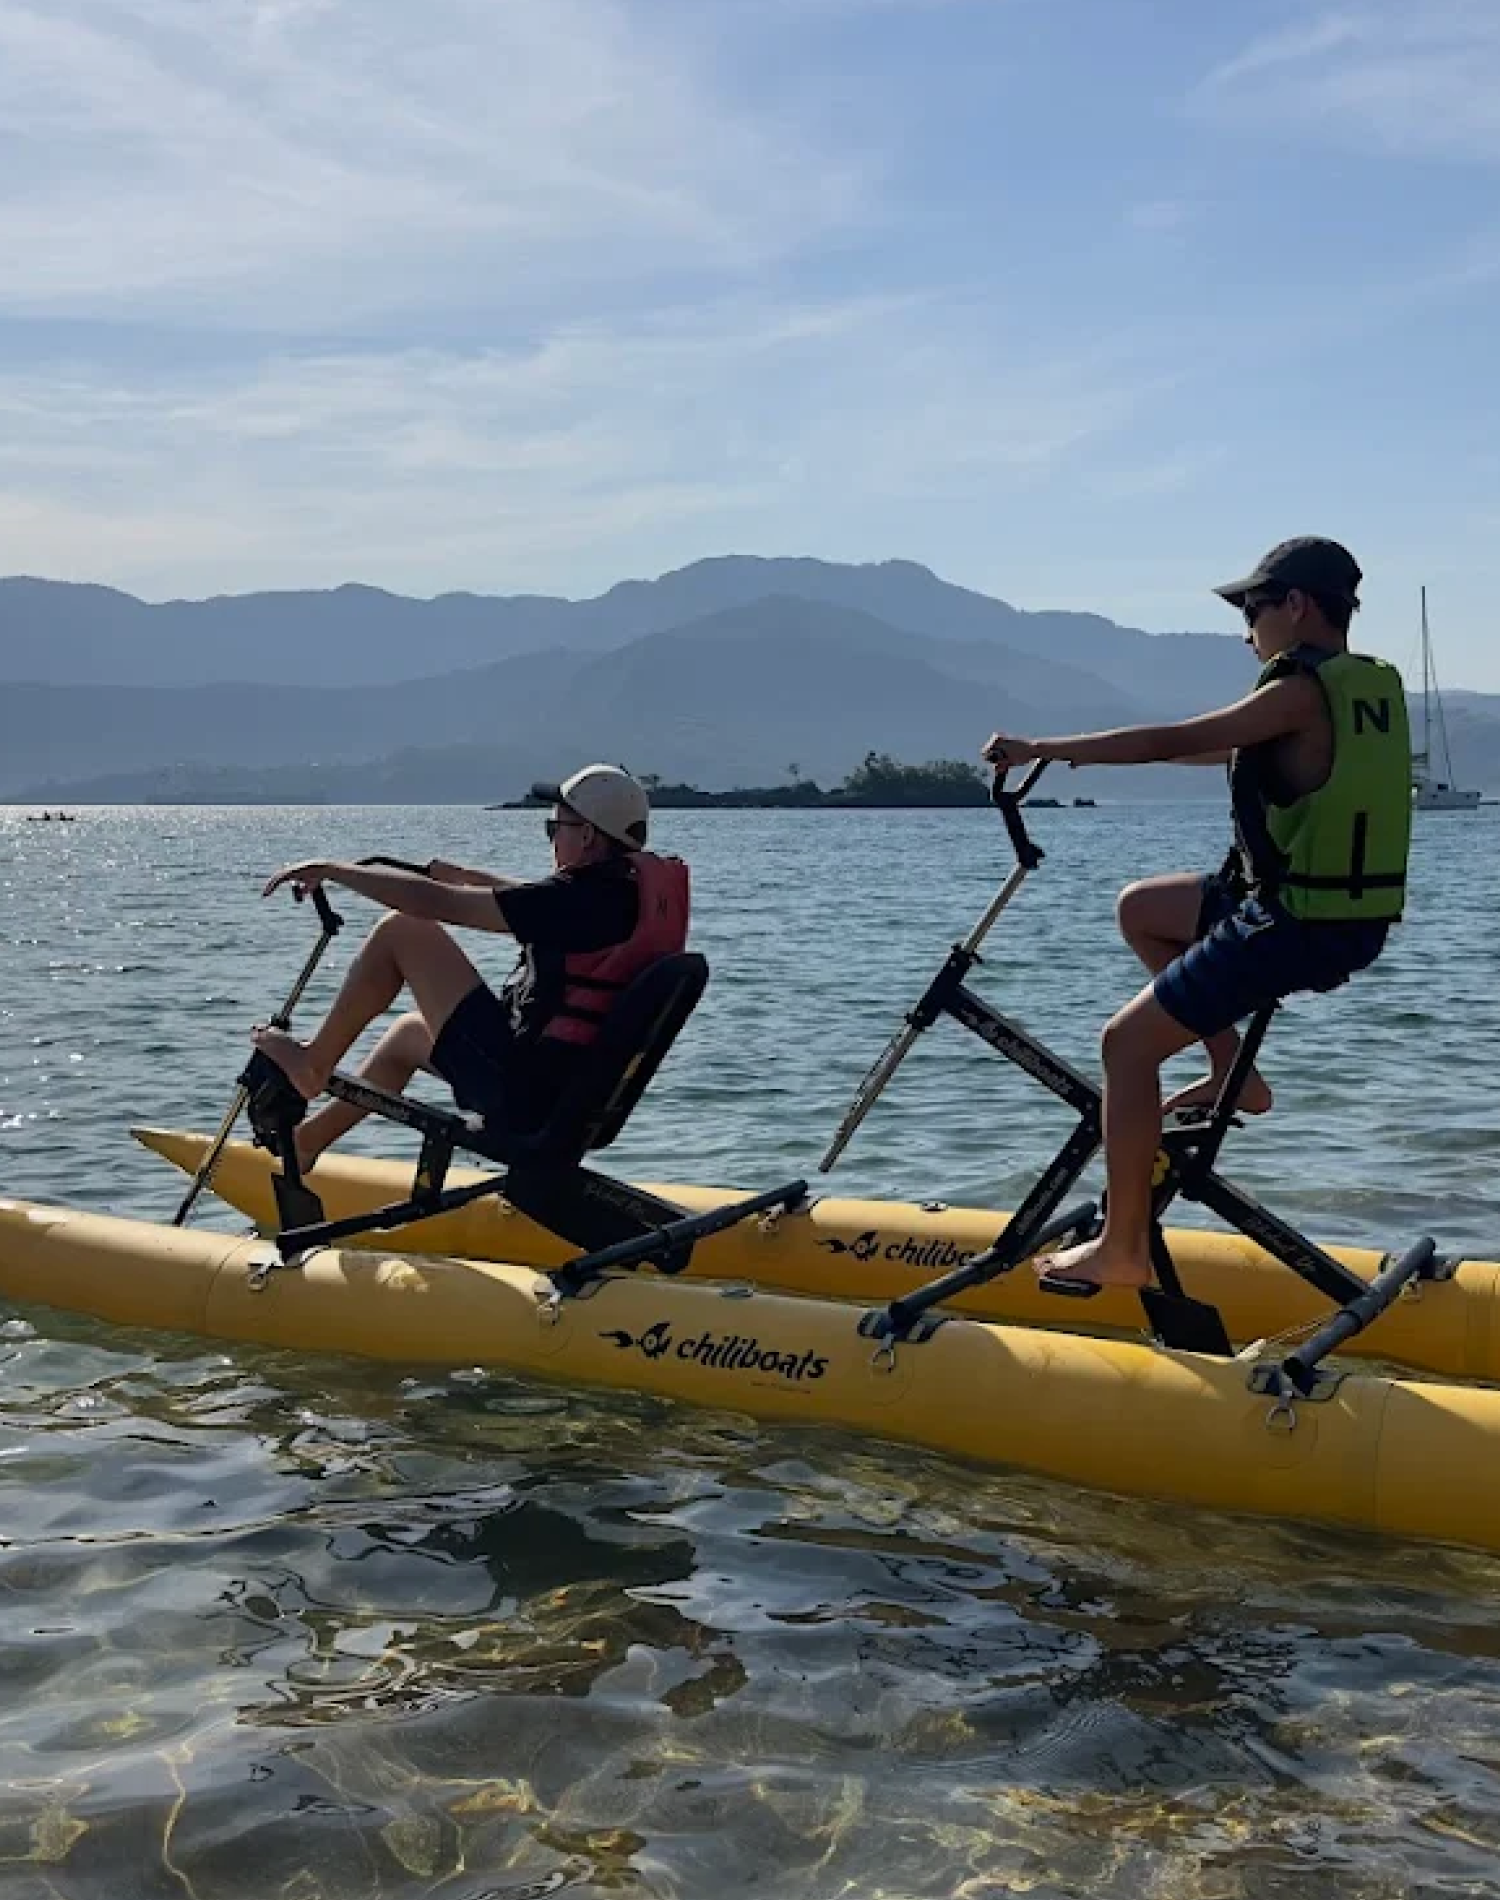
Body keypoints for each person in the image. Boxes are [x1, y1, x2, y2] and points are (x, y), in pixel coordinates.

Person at [981, 536, 1411, 1293]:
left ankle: (1124, 1249)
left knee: (1126, 1047)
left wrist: (1039, 745)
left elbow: (1171, 740)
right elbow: (1204, 750)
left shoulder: (1297, 693)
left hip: (1294, 926)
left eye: (1253, 609)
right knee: (1143, 910)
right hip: (1329, 912)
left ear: (1298, 606)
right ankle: (1230, 1073)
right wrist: (1081, 757)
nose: (1246, 630)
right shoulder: (1352, 690)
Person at [251, 764, 690, 1169]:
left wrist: (335, 870)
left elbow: (435, 904)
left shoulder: (576, 901)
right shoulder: (621, 898)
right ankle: (308, 1144)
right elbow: (532, 903)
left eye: (555, 827)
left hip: (523, 1095)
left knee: (403, 930)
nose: (553, 838)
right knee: (407, 1035)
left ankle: (313, 1065)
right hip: (564, 1094)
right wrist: (467, 875)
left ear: (589, 835)